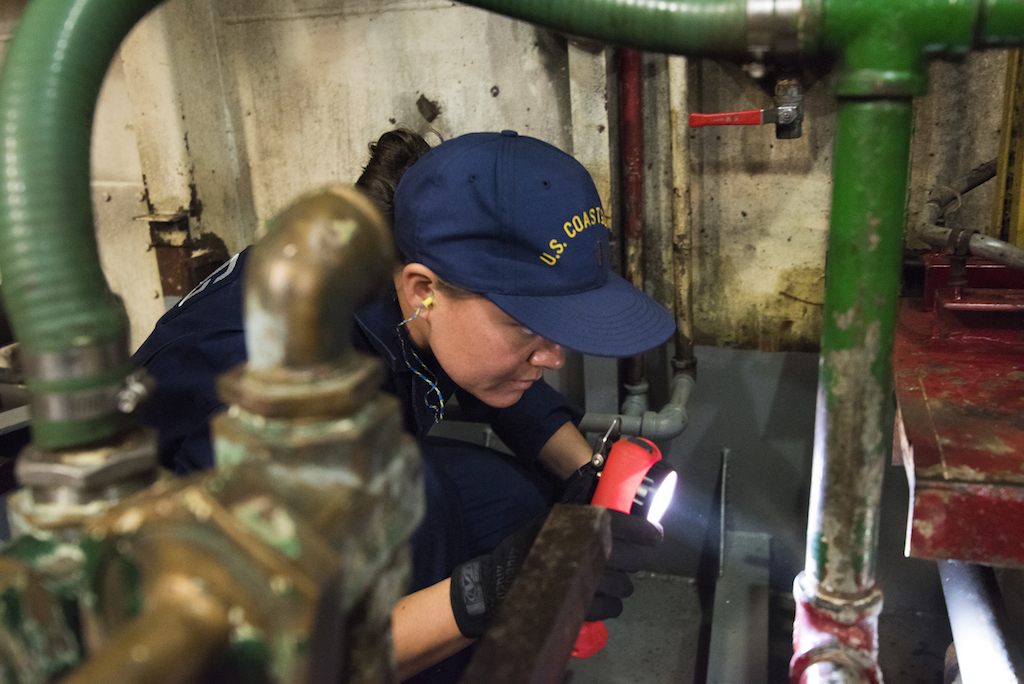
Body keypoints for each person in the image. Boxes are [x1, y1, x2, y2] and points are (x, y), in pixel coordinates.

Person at [133, 129, 676, 682]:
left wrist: (589, 475)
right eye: (526, 325)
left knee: (518, 502)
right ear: (423, 291)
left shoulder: (406, 267)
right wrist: (486, 591)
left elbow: (499, 381)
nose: (554, 356)